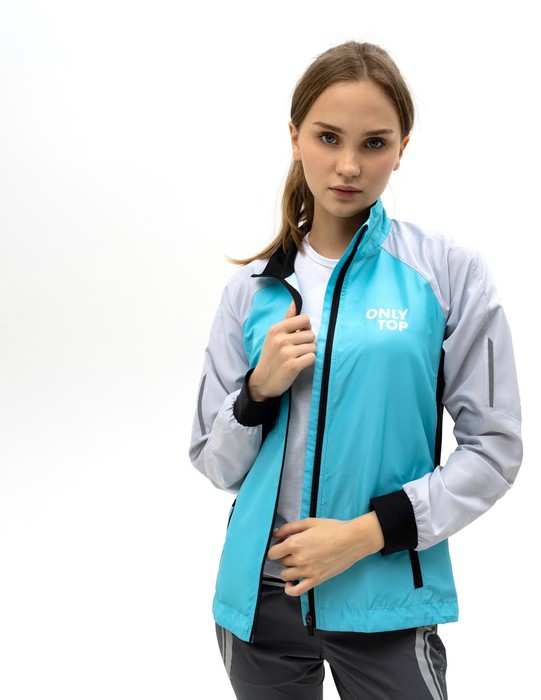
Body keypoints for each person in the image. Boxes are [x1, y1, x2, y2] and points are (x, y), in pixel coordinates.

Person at [189, 40, 523, 699]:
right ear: (294, 137)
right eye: (327, 137)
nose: (348, 165)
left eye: (374, 143)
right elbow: (215, 463)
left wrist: (367, 534)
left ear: (402, 148)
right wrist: (256, 392)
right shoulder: (252, 292)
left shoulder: (446, 273)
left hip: (384, 591)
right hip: (258, 602)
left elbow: (495, 449)